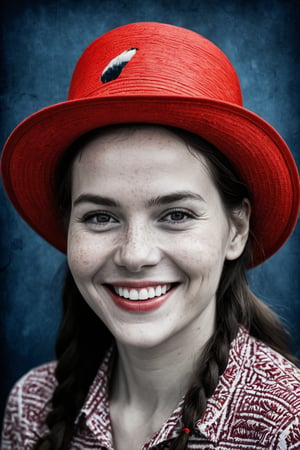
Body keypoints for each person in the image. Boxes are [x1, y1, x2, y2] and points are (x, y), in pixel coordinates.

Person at [1, 22, 299, 450]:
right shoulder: (32, 407)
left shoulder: (288, 424)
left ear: (237, 228)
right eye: (101, 217)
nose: (135, 254)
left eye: (176, 214)